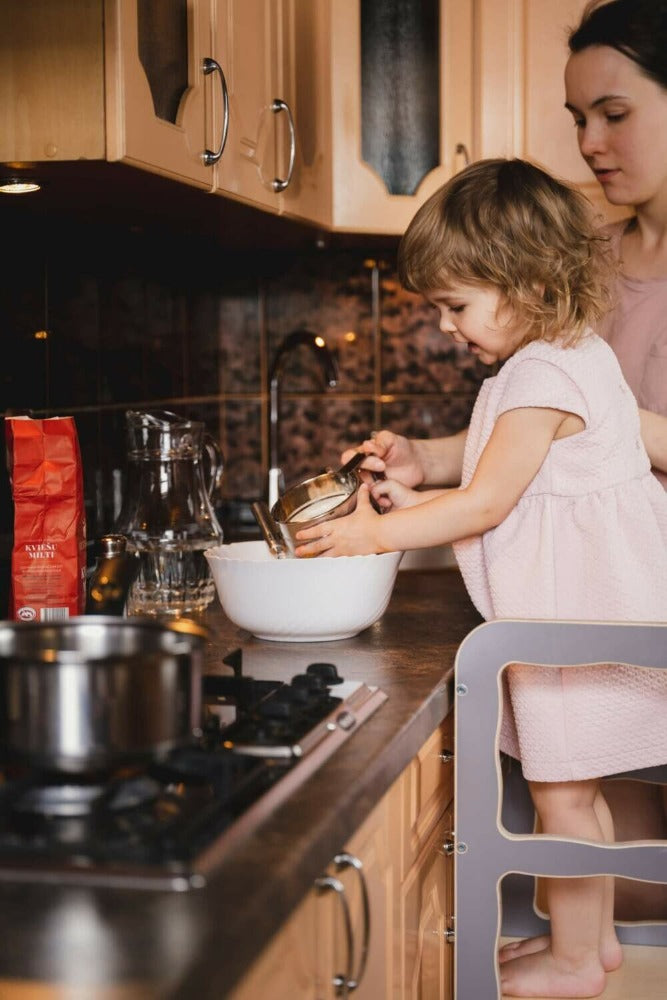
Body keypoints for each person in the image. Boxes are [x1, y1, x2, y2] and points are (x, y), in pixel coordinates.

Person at [295, 157, 667, 998]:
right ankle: (592, 943)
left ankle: (575, 962)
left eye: (454, 306)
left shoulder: (541, 373)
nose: (443, 327)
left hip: (573, 624)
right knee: (574, 791)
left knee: (563, 795)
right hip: (589, 618)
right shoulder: (568, 358)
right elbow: (497, 456)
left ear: (525, 284)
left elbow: (488, 500)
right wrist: (419, 465)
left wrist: (370, 534)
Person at [341, 0, 667, 498]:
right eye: (579, 120)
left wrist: (594, 406)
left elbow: (555, 419)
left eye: (614, 115)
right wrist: (425, 459)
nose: (589, 142)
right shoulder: (576, 261)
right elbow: (533, 426)